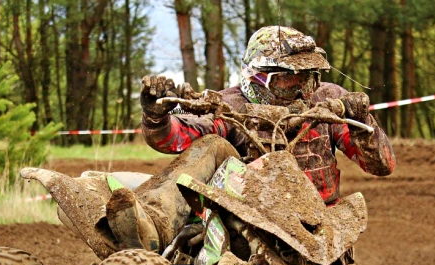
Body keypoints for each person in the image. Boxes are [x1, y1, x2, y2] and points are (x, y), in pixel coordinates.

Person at [105, 25, 396, 252]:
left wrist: (361, 122)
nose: (299, 89)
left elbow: (382, 165)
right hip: (249, 222)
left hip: (321, 224)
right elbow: (175, 139)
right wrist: (157, 116)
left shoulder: (327, 99)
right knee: (212, 146)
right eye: (287, 79)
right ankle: (155, 226)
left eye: (306, 78)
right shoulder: (230, 104)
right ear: (257, 77)